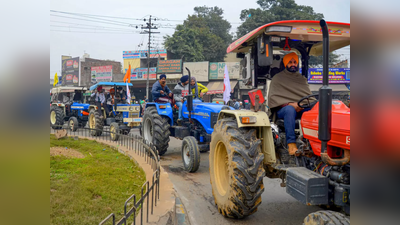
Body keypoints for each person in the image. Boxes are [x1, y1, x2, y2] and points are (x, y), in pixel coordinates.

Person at [268, 52, 315, 155]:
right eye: (290, 62)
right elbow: (274, 98)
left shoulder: (301, 79)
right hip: (283, 110)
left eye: (295, 62)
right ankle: (291, 144)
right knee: (290, 110)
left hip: (301, 108)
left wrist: (302, 105)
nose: (293, 64)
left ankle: (313, 141)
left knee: (316, 109)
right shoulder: (277, 78)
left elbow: (308, 97)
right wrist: (290, 104)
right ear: (285, 64)